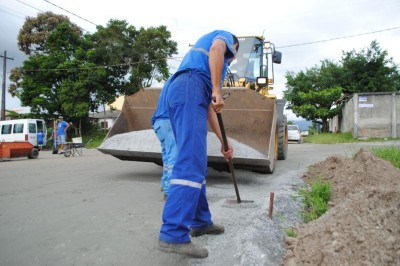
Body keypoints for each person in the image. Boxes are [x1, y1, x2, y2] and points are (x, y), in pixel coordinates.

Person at [157, 30, 239, 258]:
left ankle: (201, 222)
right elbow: (216, 49)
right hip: (189, 88)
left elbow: (210, 111)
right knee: (191, 161)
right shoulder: (222, 39)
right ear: (234, 45)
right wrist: (216, 89)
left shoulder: (204, 71)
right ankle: (173, 234)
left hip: (185, 92)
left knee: (196, 159)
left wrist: (224, 143)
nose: (230, 60)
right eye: (232, 56)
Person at [151, 78, 177, 200]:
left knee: (167, 157)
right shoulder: (180, 81)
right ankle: (169, 192)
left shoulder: (169, 82)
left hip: (158, 123)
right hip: (167, 122)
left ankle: (164, 183)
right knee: (174, 156)